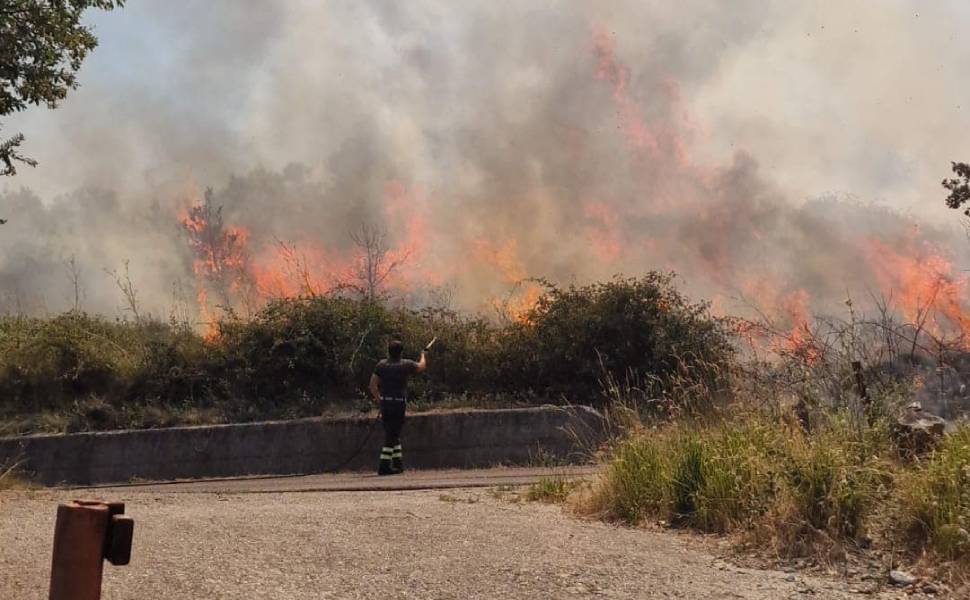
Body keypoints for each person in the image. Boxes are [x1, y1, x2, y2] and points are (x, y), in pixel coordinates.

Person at [369, 339, 427, 475]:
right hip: (398, 403)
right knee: (392, 434)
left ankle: (397, 463)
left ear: (388, 351)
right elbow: (421, 366)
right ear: (401, 352)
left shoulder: (381, 365)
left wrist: (380, 400)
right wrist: (423, 355)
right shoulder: (405, 364)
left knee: (393, 433)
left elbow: (372, 385)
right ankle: (383, 466)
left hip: (386, 403)